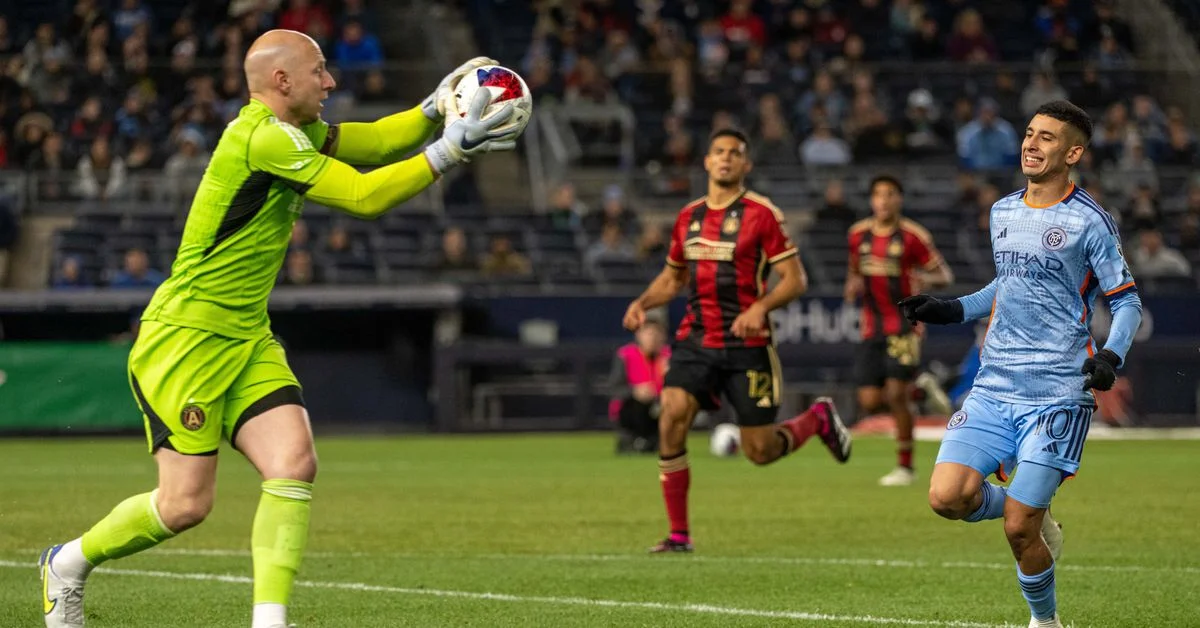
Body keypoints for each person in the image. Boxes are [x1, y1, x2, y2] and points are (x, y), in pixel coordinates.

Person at [38, 29, 520, 628]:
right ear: (283, 81)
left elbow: (366, 144)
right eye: (320, 71)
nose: (332, 82)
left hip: (246, 335)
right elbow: (364, 196)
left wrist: (428, 113)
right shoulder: (262, 139)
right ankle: (68, 562)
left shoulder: (291, 131)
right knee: (185, 504)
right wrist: (447, 151)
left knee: (294, 462)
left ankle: (269, 620)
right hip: (185, 339)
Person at [900, 101, 1142, 628]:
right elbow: (1005, 287)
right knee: (946, 497)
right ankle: (1029, 505)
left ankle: (1045, 621)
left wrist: (1111, 355)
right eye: (1029, 134)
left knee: (1017, 528)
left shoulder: (1091, 222)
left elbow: (1126, 301)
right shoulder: (1002, 211)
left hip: (1057, 390)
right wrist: (951, 309)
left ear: (1073, 152)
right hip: (994, 385)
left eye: (1047, 138)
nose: (1031, 144)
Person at [622, 128, 852, 554]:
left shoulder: (762, 215)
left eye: (735, 153)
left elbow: (795, 280)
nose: (726, 159)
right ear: (707, 162)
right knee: (670, 416)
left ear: (746, 166)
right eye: (718, 152)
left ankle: (817, 419)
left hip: (748, 346)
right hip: (696, 339)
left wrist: (760, 308)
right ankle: (678, 536)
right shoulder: (688, 217)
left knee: (760, 451)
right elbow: (674, 277)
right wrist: (643, 301)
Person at [844, 174, 953, 487]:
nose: (884, 200)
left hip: (904, 326)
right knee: (869, 401)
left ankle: (905, 467)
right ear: (871, 200)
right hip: (871, 327)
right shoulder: (857, 235)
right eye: (878, 194)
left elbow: (943, 275)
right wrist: (851, 287)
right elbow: (854, 270)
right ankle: (921, 389)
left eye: (890, 194)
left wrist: (922, 279)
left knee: (895, 395)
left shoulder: (912, 237)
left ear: (899, 200)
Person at [608, 316, 671, 454]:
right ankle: (632, 439)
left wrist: (671, 376)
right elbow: (613, 388)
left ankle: (655, 440)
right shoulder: (626, 355)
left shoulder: (670, 357)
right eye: (648, 333)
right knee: (635, 404)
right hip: (632, 407)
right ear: (638, 335)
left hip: (661, 405)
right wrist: (635, 391)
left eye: (657, 334)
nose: (652, 338)